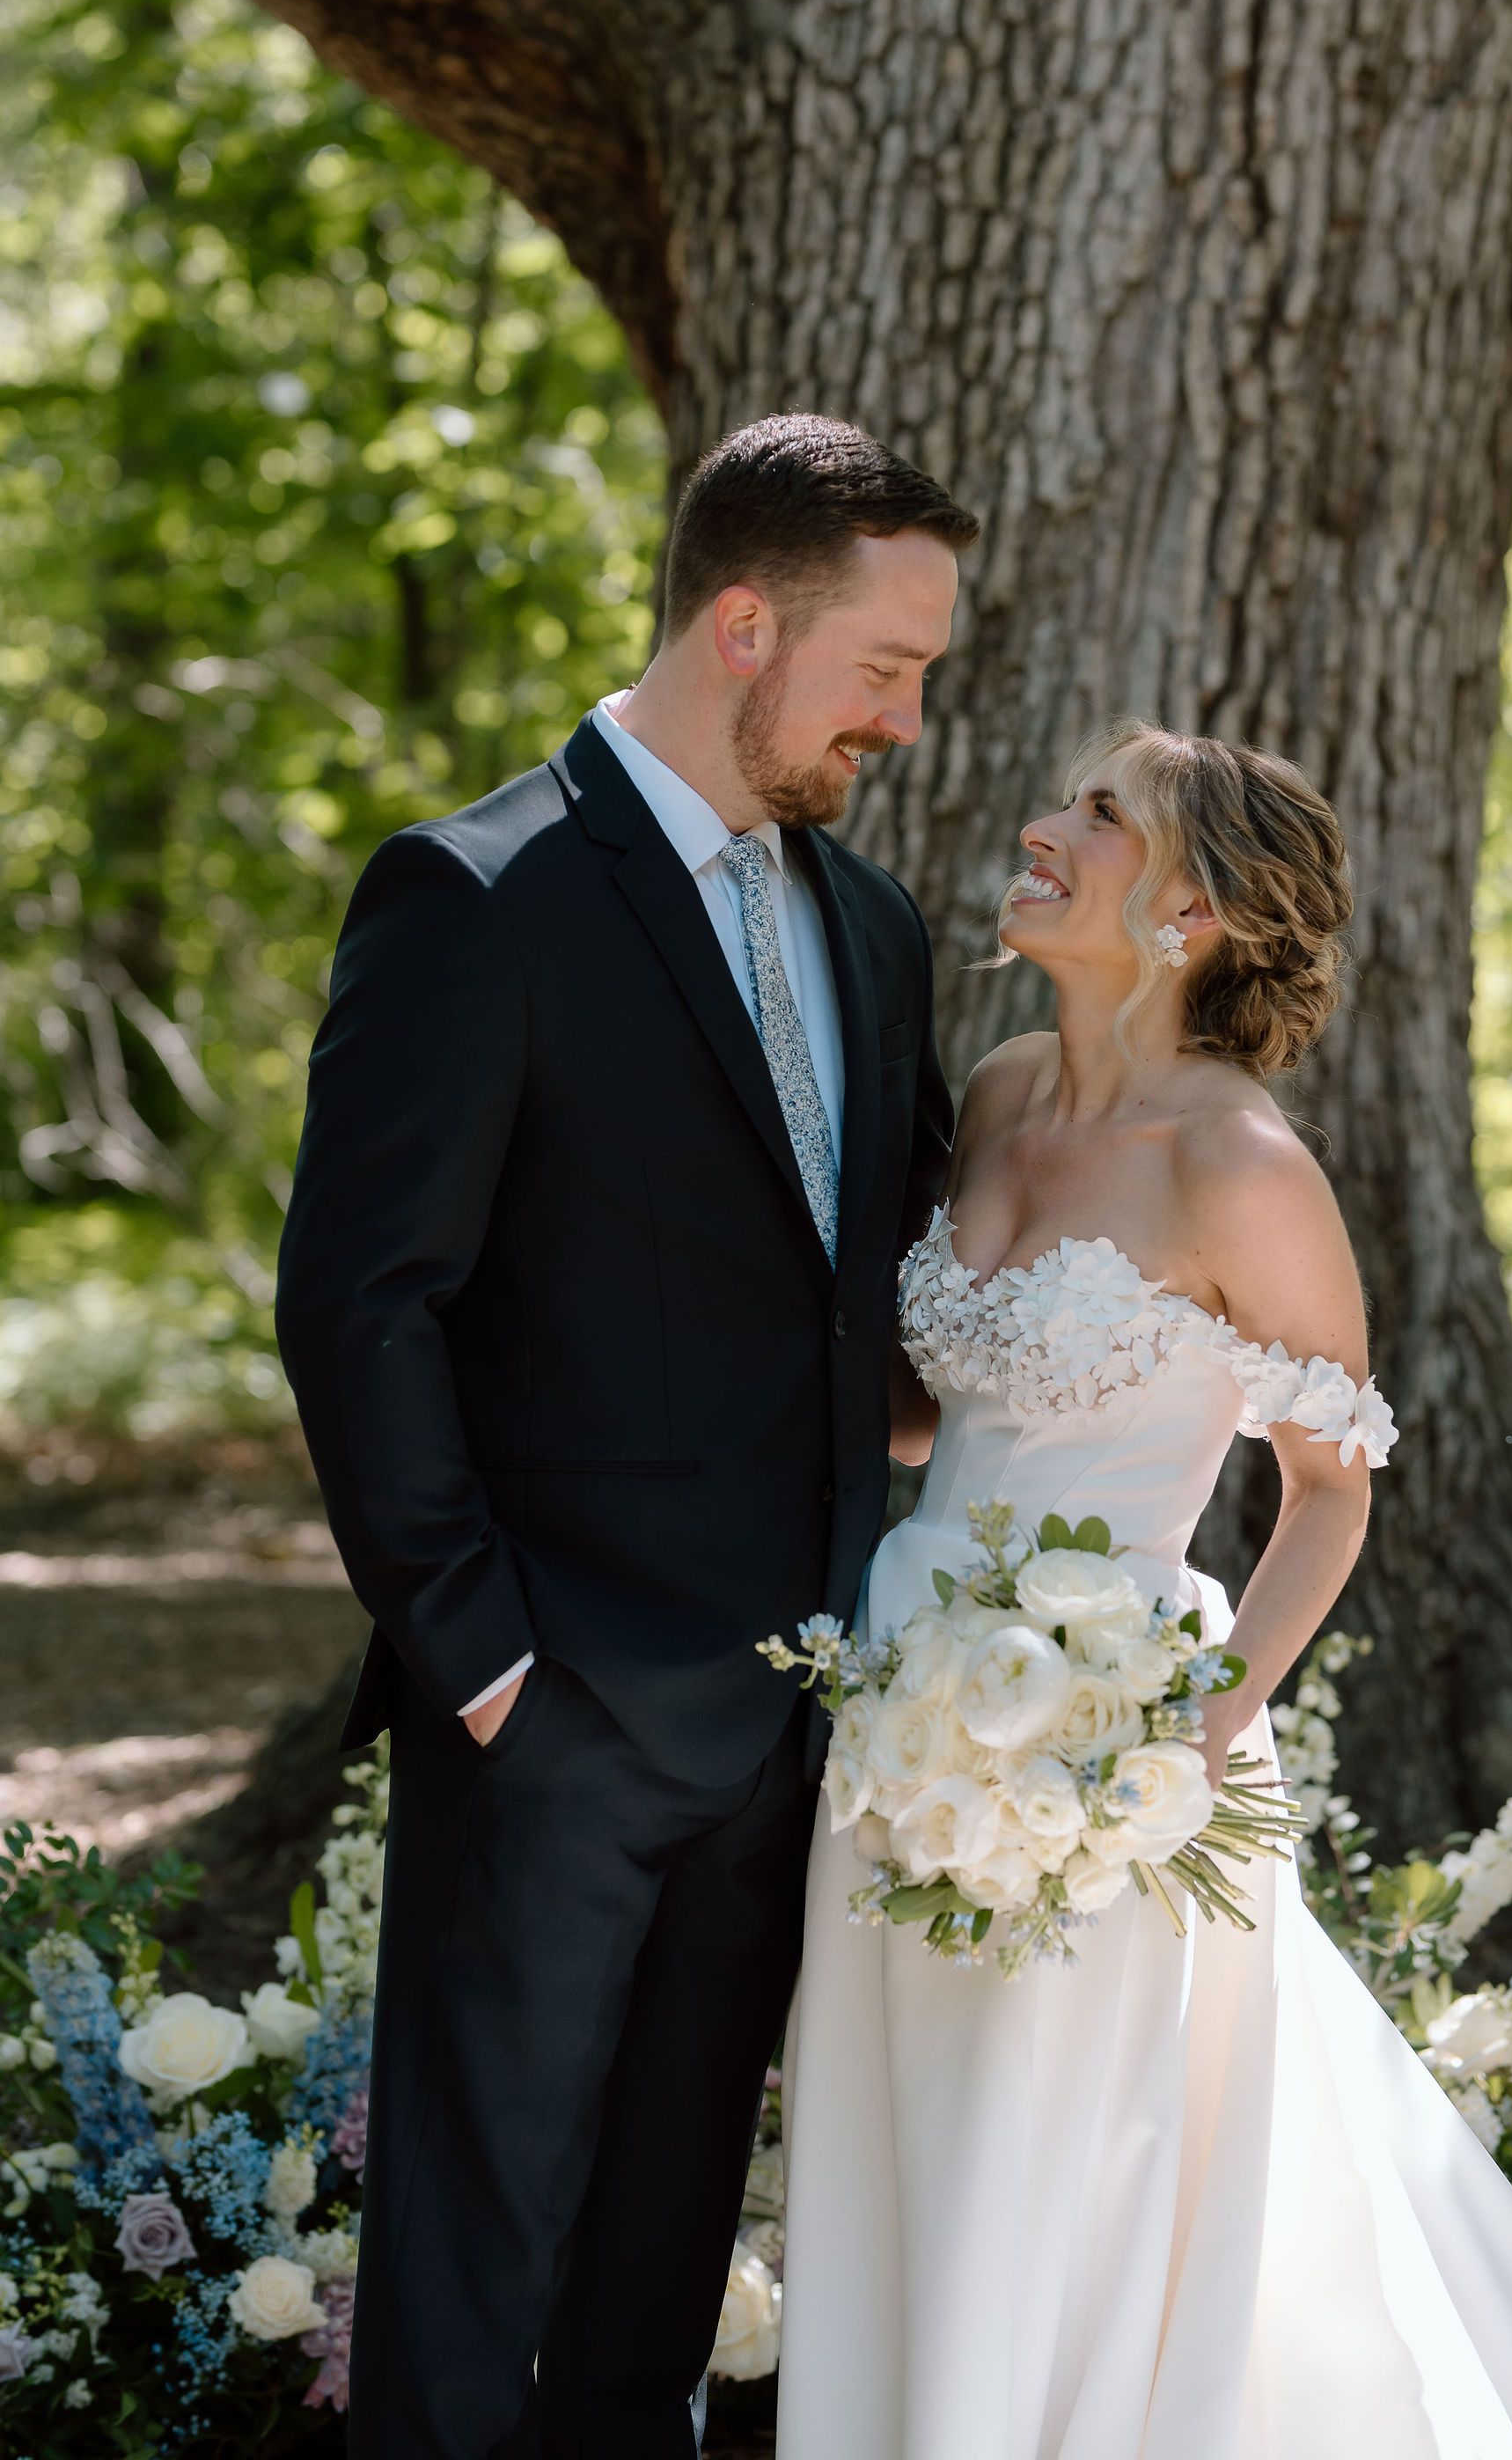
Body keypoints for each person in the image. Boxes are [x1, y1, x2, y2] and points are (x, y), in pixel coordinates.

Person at [776, 721, 1512, 2458]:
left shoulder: (1240, 1166)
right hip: (902, 1714)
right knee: (909, 2135)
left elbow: (1329, 1491)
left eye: (1097, 818)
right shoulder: (990, 1088)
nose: (1044, 831)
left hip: (1113, 1745)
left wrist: (1196, 1733)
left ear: (1188, 905)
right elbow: (925, 1412)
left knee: (1071, 2156)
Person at [273, 413, 976, 2458]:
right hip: (551, 1715)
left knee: (653, 2300)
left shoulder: (872, 928)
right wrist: (480, 1660)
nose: (907, 723)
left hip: (790, 1730)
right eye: (884, 670)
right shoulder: (472, 896)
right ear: (744, 625)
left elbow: (877, 1296)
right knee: (471, 2280)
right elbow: (359, 1304)